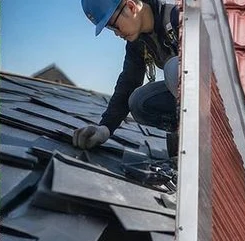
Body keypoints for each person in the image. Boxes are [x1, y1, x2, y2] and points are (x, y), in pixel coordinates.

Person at [73, 0, 183, 156]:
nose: (117, 34)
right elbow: (128, 82)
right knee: (138, 102)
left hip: (212, 100)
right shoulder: (138, 43)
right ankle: (181, 129)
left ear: (131, 7)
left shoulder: (177, 17)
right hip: (187, 101)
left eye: (114, 26)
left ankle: (196, 136)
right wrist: (105, 128)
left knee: (174, 69)